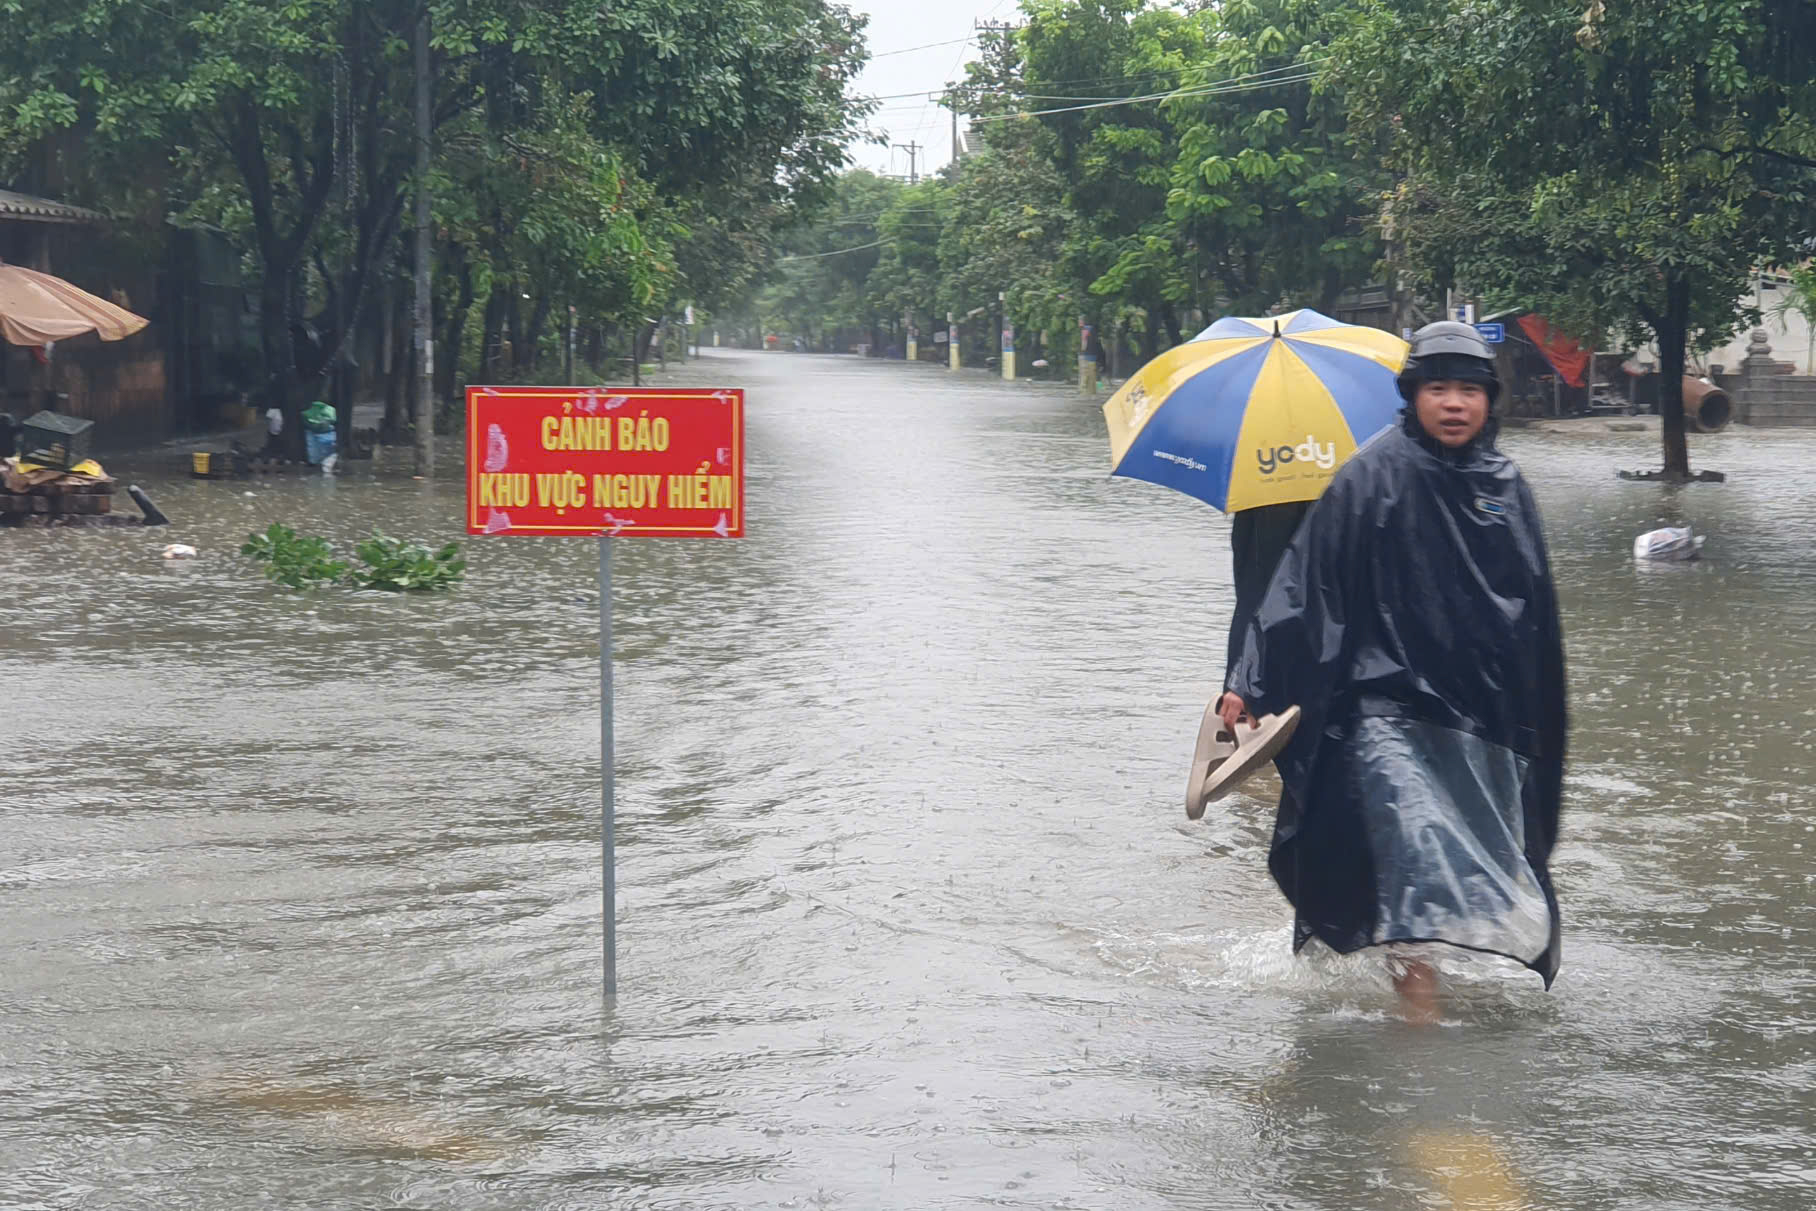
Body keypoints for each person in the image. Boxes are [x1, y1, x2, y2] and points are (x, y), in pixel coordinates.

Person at [1218, 321, 1568, 1023]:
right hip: (1383, 708)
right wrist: (1250, 679)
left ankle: (1403, 968)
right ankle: (1419, 1027)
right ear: (1413, 395)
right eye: (1438, 387)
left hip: (1477, 715)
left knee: (1465, 859)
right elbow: (1302, 585)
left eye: (1468, 388)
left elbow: (1535, 613)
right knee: (1411, 848)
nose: (1454, 403)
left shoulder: (1505, 484)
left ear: (1488, 400)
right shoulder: (1370, 477)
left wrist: (1536, 719)